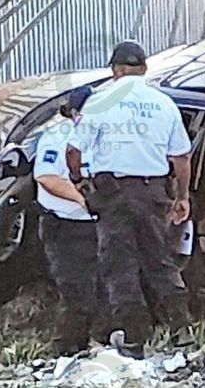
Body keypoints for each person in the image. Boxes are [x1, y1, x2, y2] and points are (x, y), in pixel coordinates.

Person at [66, 41, 193, 357]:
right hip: (153, 193)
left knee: (119, 266)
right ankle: (182, 329)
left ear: (115, 70)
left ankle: (135, 339)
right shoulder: (164, 103)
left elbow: (73, 151)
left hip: (113, 194)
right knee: (160, 261)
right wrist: (182, 196)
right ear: (145, 69)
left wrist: (80, 182)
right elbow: (181, 158)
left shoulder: (98, 102)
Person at [33, 85, 97, 355]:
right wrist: (82, 199)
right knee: (76, 293)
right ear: (72, 113)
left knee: (104, 288)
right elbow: (47, 177)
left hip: (96, 225)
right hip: (66, 227)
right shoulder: (57, 136)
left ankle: (98, 348)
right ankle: (66, 352)